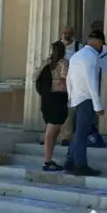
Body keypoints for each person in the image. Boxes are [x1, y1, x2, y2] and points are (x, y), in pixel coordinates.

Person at [65, 30, 105, 176]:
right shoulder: (91, 57)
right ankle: (80, 164)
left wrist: (71, 98)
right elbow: (91, 82)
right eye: (101, 44)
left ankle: (70, 161)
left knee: (77, 133)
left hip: (76, 99)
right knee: (82, 134)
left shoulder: (77, 55)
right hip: (86, 100)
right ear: (98, 42)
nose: (101, 48)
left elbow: (68, 79)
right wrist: (98, 105)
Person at [37, 41, 69, 171]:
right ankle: (47, 160)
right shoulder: (63, 63)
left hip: (47, 98)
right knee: (52, 131)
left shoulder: (46, 63)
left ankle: (49, 158)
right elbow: (64, 79)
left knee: (53, 130)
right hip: (58, 97)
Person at [59, 26, 82, 146]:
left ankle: (66, 136)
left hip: (72, 81)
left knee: (69, 110)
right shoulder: (57, 46)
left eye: (68, 33)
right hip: (58, 82)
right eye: (64, 33)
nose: (66, 35)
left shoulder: (78, 46)